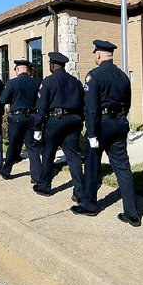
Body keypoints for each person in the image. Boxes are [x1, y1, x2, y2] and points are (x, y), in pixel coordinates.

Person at [71, 40, 139, 224]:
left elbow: (91, 107)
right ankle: (131, 212)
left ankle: (89, 205)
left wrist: (91, 133)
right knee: (123, 167)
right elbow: (128, 103)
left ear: (99, 55)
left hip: (101, 125)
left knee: (92, 166)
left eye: (95, 54)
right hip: (119, 123)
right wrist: (120, 119)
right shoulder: (122, 76)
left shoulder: (95, 76)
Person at [33, 52, 84, 199]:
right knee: (73, 157)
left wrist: (38, 127)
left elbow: (41, 108)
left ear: (51, 65)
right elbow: (83, 103)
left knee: (48, 153)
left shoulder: (48, 82)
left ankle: (44, 186)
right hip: (73, 120)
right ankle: (80, 192)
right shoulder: (75, 82)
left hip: (55, 121)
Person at [0, 59, 42, 183]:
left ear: (17, 69)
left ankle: (6, 171)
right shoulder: (36, 83)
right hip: (32, 116)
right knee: (32, 147)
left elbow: (3, 99)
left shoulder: (12, 82)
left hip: (17, 117)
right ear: (27, 70)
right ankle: (36, 176)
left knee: (13, 144)